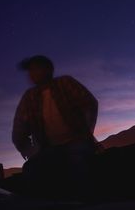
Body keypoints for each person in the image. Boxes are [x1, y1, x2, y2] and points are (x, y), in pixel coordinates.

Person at [12, 55, 99, 197]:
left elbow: (89, 104)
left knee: (77, 163)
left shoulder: (65, 83)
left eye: (35, 69)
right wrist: (30, 151)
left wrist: (85, 134)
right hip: (48, 149)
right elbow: (19, 128)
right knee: (31, 169)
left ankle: (87, 205)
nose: (31, 74)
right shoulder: (29, 97)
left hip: (76, 142)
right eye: (30, 71)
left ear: (47, 70)